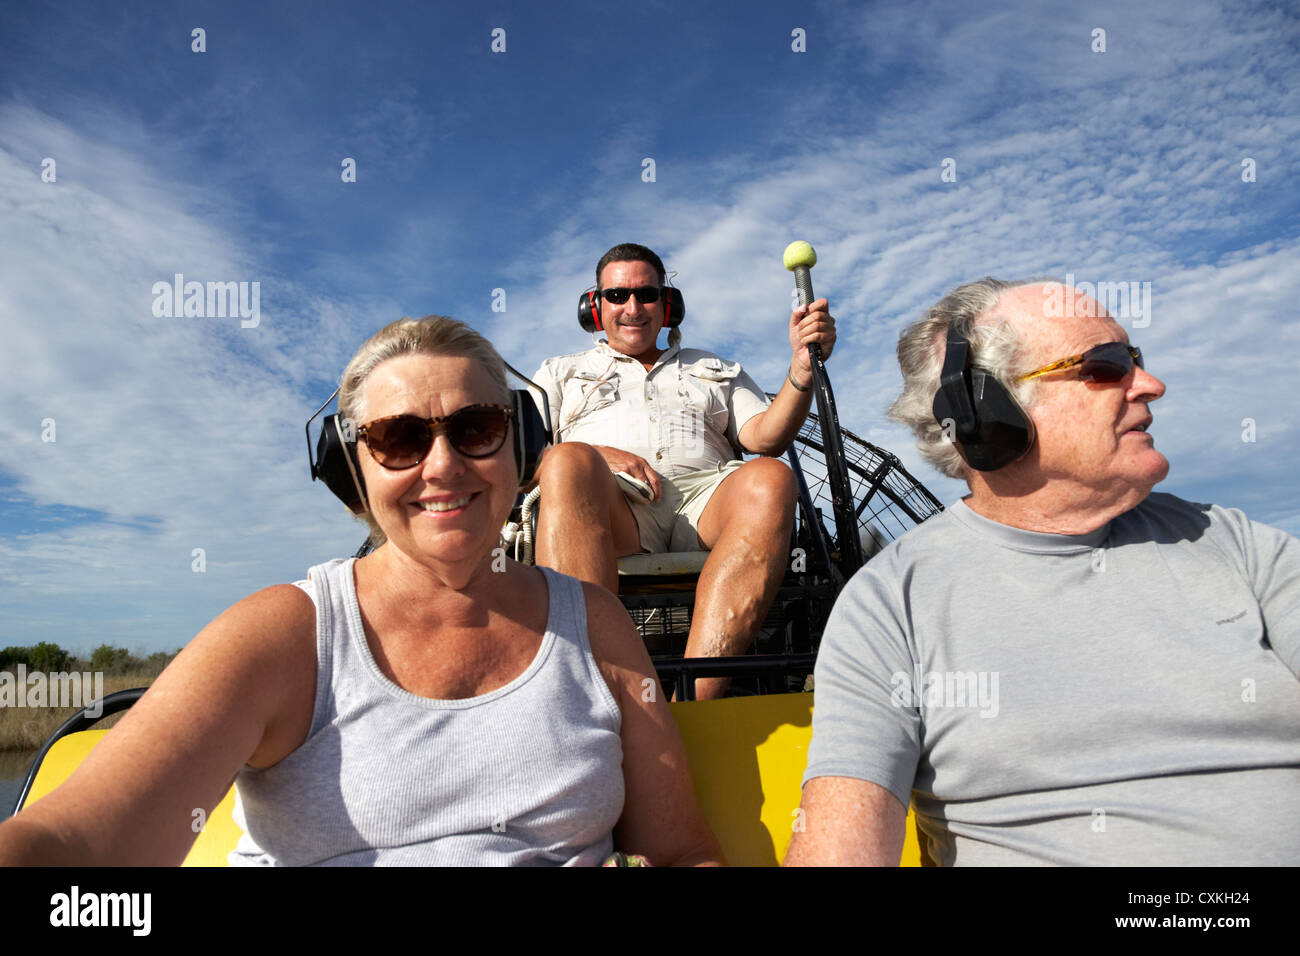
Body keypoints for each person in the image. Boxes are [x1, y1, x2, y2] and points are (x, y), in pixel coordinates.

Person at [0, 316, 723, 867]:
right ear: (353, 471)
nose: (443, 467)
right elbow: (76, 841)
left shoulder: (594, 624)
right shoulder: (284, 635)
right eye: (400, 440)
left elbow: (683, 853)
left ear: (519, 446)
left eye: (475, 428)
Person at [785, 278, 1300, 866]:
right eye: (1105, 367)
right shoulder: (891, 603)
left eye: (1136, 360)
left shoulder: (1237, 544)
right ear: (982, 410)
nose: (1152, 385)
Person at [532, 243, 836, 700]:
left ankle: (695, 701)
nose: (632, 308)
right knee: (564, 460)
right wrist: (593, 451)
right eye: (617, 296)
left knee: (771, 476)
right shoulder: (560, 373)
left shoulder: (715, 367)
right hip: (613, 505)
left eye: (646, 295)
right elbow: (520, 455)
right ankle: (590, 700)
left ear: (667, 304)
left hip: (707, 501)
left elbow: (766, 437)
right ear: (594, 307)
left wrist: (800, 371)